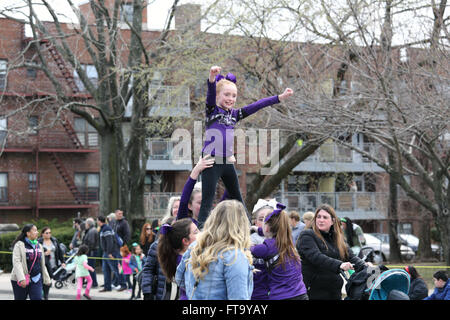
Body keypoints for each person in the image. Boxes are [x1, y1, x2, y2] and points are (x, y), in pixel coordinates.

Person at [197, 65, 294, 227]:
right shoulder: (212, 110)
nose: (230, 98)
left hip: (227, 161)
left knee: (238, 198)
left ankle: (249, 228)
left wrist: (280, 97)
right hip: (210, 161)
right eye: (226, 94)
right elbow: (210, 92)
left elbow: (257, 105)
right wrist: (212, 78)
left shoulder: (234, 114)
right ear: (218, 96)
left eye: (234, 95)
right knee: (207, 199)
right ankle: (200, 233)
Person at [176, 200, 254, 300]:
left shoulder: (195, 247)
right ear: (242, 225)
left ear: (212, 220)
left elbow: (179, 279)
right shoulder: (234, 257)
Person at [296, 204, 367, 300]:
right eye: (318, 217)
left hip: (334, 290)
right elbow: (316, 257)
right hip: (313, 290)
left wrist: (366, 267)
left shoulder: (337, 238)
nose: (321, 220)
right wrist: (339, 265)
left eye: (325, 217)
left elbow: (350, 256)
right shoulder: (307, 235)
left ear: (333, 221)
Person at [251, 203, 308, 300]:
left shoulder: (266, 248)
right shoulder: (288, 241)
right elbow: (266, 231)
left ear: (268, 228)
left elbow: (249, 248)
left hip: (281, 296)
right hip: (301, 294)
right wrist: (256, 229)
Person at [157, 218, 199, 300]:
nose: (201, 234)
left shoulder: (178, 257)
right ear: (186, 241)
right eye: (196, 232)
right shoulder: (186, 261)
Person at [10, 224, 51, 300]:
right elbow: (17, 262)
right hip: (21, 279)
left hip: (36, 278)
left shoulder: (39, 245)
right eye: (35, 230)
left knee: (37, 298)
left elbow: (42, 264)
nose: (37, 232)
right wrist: (21, 278)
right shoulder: (19, 245)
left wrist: (47, 278)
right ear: (28, 233)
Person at [249, 198, 277, 300]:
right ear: (255, 222)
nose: (265, 223)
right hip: (256, 292)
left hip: (277, 292)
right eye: (261, 219)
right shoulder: (249, 240)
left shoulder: (280, 240)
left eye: (269, 219)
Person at [141, 216, 175, 300]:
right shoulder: (156, 246)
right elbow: (148, 269)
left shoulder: (183, 247)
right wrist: (147, 292)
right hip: (161, 292)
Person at [177, 155, 215, 222]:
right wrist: (196, 170)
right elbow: (184, 201)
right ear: (190, 206)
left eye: (207, 202)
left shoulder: (214, 225)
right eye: (200, 203)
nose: (204, 205)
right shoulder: (186, 223)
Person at [97, 215, 127, 292]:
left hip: (111, 252)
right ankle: (107, 287)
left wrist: (109, 253)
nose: (96, 222)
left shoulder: (106, 229)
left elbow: (109, 241)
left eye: (97, 220)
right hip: (106, 252)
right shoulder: (103, 228)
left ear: (100, 221)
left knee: (116, 269)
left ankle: (123, 285)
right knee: (105, 270)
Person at [38, 227, 66, 300]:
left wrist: (63, 262)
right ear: (42, 234)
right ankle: (41, 295)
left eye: (50, 233)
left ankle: (45, 295)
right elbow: (35, 253)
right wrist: (44, 253)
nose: (49, 234)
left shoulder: (54, 240)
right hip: (43, 265)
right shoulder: (39, 241)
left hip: (53, 264)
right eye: (47, 233)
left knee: (48, 281)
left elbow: (59, 252)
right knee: (43, 281)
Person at [82, 217, 99, 288]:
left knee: (90, 267)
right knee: (90, 267)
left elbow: (91, 243)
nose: (85, 224)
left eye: (86, 223)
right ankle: (92, 282)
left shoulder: (91, 231)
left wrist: (86, 251)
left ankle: (94, 283)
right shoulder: (91, 230)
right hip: (91, 251)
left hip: (91, 252)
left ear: (88, 224)